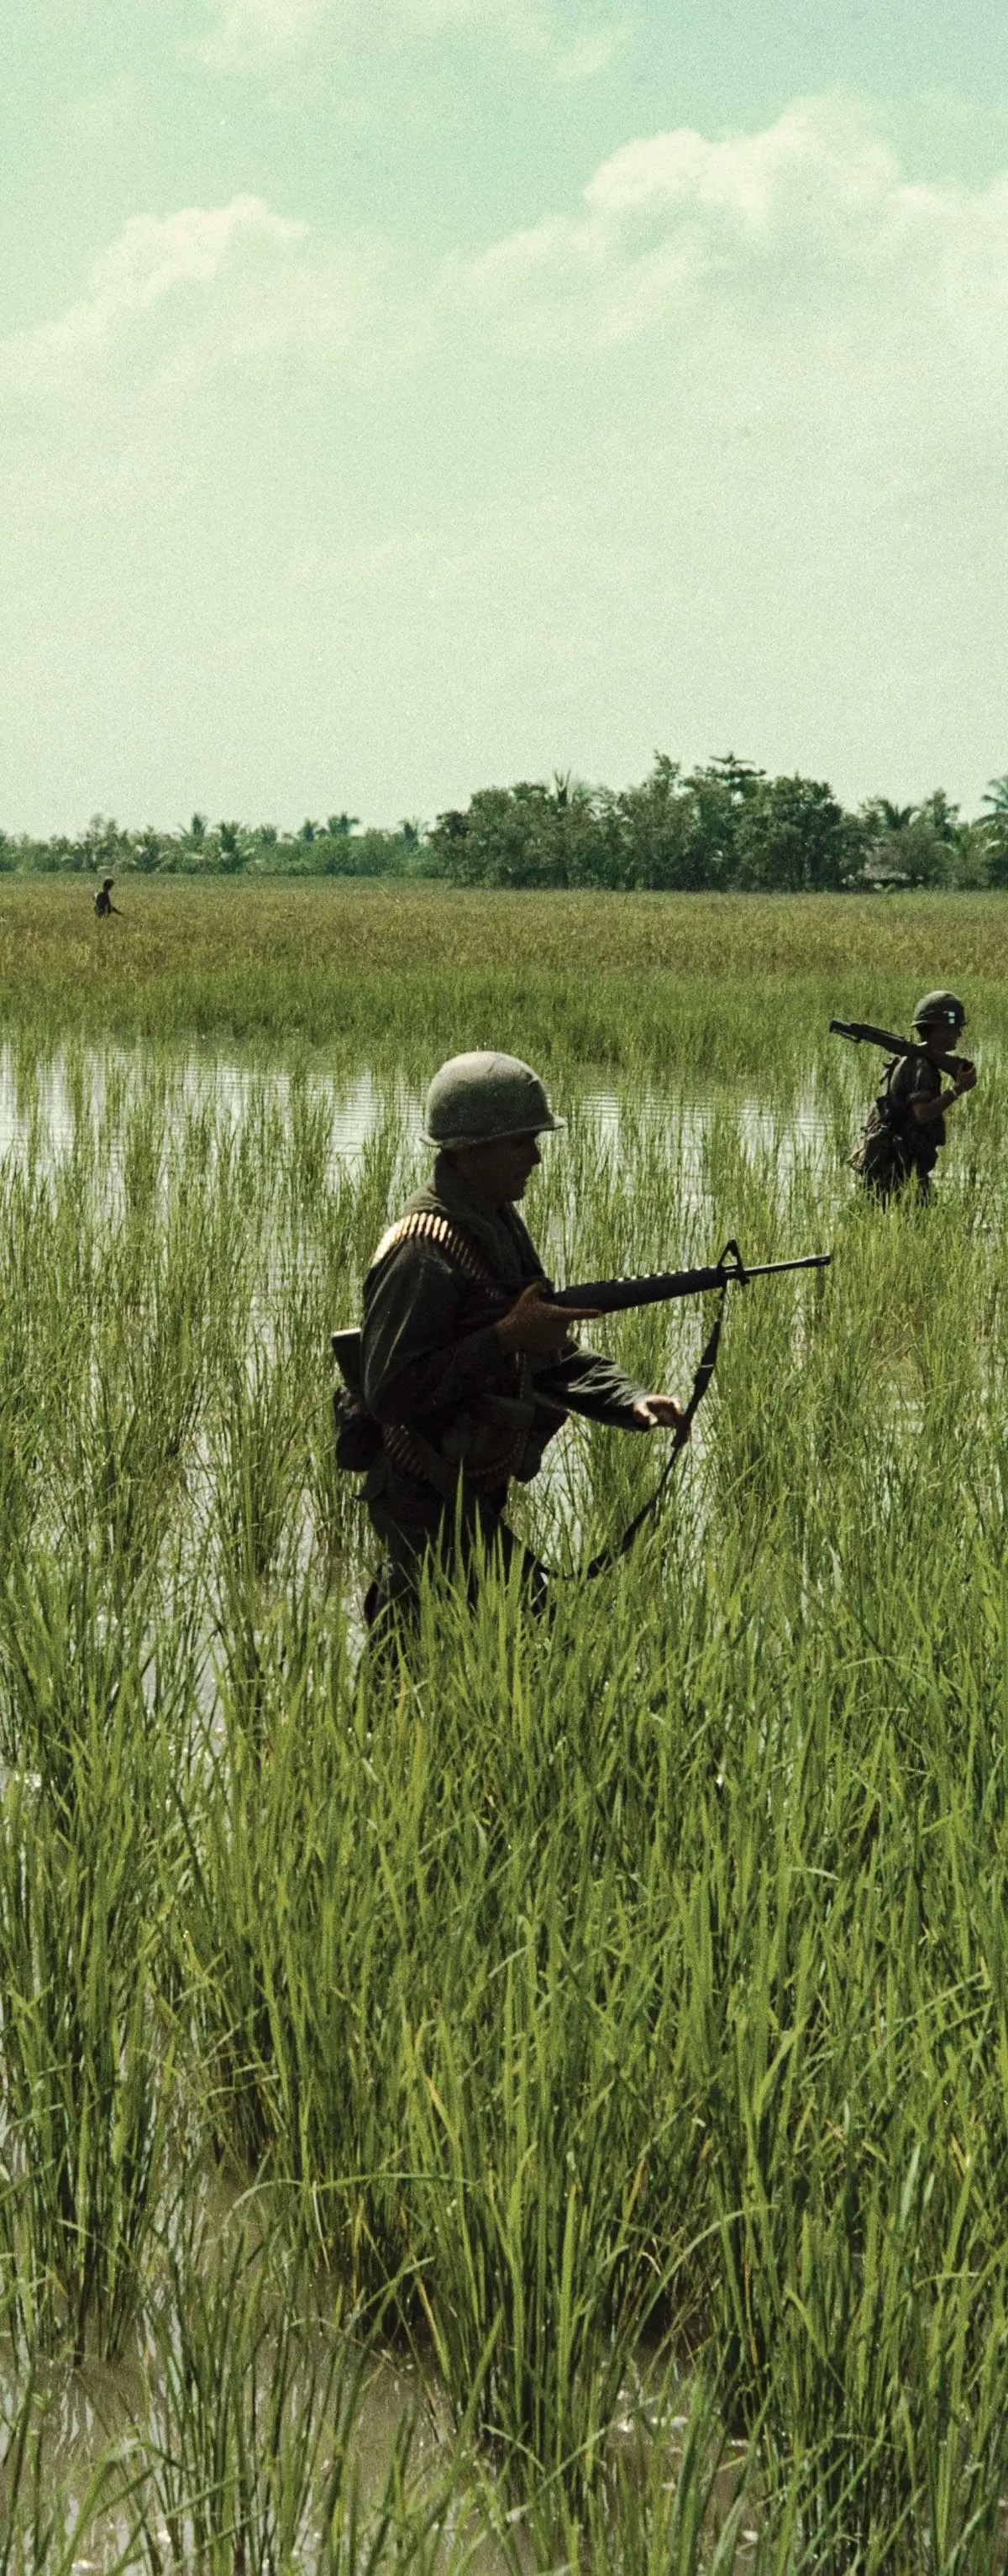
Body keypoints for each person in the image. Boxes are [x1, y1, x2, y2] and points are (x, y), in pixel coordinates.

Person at [354, 1051, 685, 1630]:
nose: (535, 1156)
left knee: (446, 1646)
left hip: (458, 1493)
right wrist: (504, 1336)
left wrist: (625, 1397)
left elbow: (544, 1348)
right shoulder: (422, 1250)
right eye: (521, 1142)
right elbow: (390, 1391)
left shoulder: (496, 1223)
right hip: (420, 1494)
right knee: (497, 1639)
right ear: (471, 1149)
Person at [851, 990, 977, 1200]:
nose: (960, 1034)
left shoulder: (910, 1059)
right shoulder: (922, 1065)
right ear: (939, 1029)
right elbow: (922, 1114)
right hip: (897, 1169)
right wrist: (957, 1090)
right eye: (955, 1028)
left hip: (892, 1164)